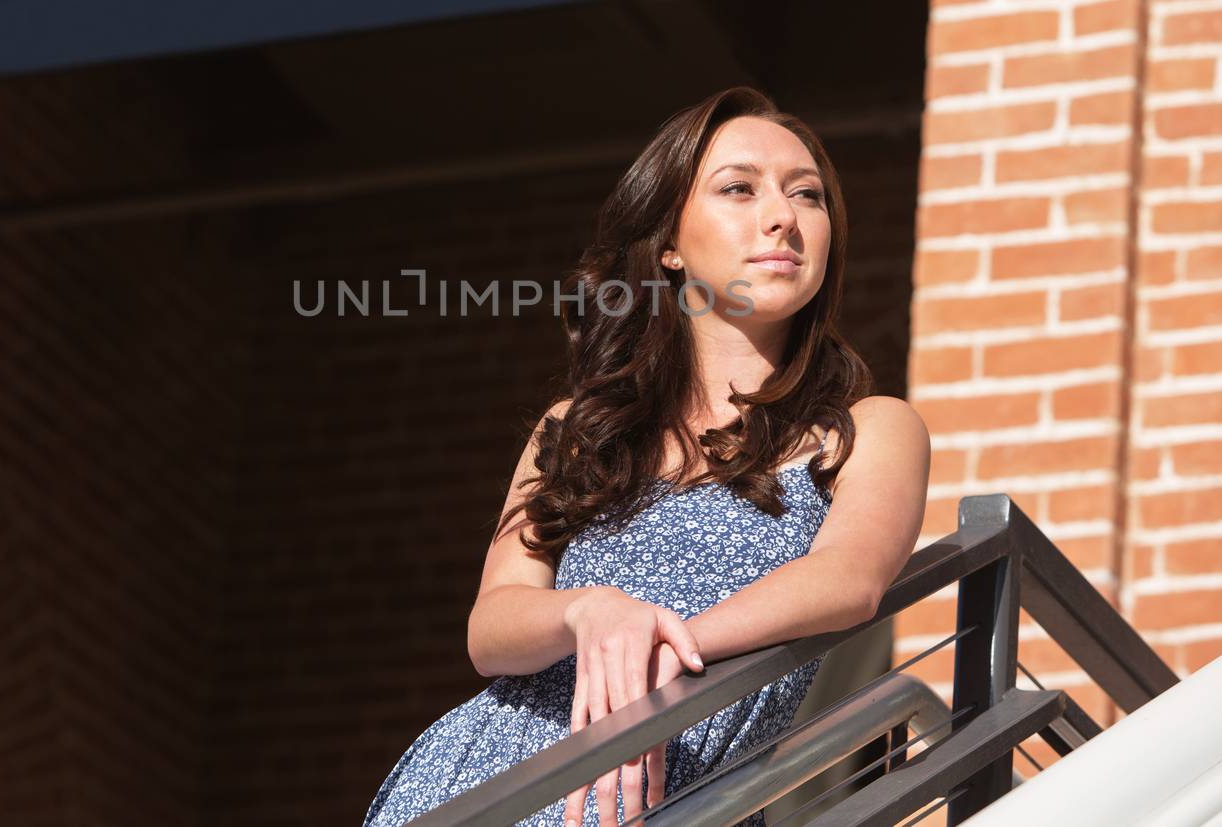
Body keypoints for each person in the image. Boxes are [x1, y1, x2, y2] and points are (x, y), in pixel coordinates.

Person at [363, 86, 930, 827]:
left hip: (685, 795)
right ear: (668, 243)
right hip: (491, 779)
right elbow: (492, 626)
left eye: (808, 195)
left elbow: (848, 579)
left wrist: (664, 643)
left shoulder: (869, 428)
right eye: (739, 188)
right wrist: (591, 613)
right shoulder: (575, 426)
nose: (783, 216)